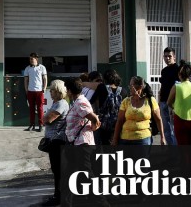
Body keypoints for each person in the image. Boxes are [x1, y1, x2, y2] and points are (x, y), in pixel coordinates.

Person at [62, 78, 108, 207]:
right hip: (75, 144)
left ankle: (101, 202)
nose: (66, 91)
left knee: (87, 174)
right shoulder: (77, 101)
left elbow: (93, 117)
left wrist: (94, 126)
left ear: (70, 91)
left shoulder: (80, 102)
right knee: (69, 174)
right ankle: (66, 202)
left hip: (82, 145)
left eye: (67, 89)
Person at [112, 76, 166, 145]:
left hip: (143, 139)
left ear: (140, 87)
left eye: (131, 85)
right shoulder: (126, 101)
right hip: (125, 139)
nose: (129, 88)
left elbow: (158, 119)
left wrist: (162, 137)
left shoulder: (150, 101)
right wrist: (115, 139)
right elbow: (119, 121)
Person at [41, 80, 69, 206]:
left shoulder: (60, 104)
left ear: (58, 91)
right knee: (56, 169)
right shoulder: (56, 103)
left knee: (58, 170)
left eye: (52, 90)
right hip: (53, 140)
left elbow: (47, 119)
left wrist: (44, 117)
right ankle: (58, 195)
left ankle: (59, 196)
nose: (50, 92)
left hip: (57, 141)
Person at [90, 69, 127, 145]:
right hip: (118, 123)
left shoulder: (101, 87)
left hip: (104, 123)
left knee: (104, 145)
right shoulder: (123, 91)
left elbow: (91, 101)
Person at [167, 61, 191, 145]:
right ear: (190, 75)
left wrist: (174, 107)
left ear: (179, 75)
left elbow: (169, 102)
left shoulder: (176, 87)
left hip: (179, 120)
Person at [159, 47, 179, 145]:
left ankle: (176, 152)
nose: (167, 58)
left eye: (169, 56)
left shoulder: (178, 69)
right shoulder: (164, 71)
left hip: (173, 103)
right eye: (165, 56)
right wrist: (159, 100)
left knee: (174, 128)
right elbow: (162, 86)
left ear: (174, 57)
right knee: (166, 128)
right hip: (163, 102)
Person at [24, 52, 47, 132]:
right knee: (31, 108)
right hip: (30, 91)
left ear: (36, 59)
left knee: (40, 108)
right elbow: (26, 80)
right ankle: (32, 124)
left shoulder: (42, 67)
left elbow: (45, 78)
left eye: (32, 58)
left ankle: (41, 124)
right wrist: (26, 90)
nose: (30, 60)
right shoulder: (27, 68)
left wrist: (44, 88)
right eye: (30, 58)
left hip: (39, 91)